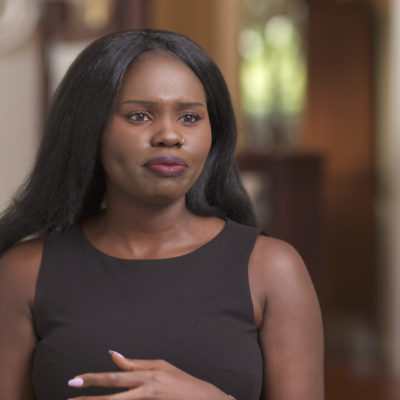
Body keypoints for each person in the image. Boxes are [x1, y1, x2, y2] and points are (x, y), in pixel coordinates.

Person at [0, 29, 324, 400]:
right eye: (139, 116)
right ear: (90, 130)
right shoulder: (25, 272)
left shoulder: (272, 269)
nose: (170, 136)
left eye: (189, 118)